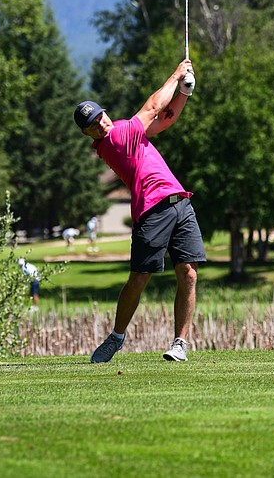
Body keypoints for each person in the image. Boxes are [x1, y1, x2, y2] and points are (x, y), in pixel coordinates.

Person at [75, 58, 204, 363]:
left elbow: (164, 119)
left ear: (105, 113)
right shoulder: (114, 140)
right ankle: (116, 337)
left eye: (99, 116)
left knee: (189, 274)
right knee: (139, 278)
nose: (100, 123)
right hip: (152, 211)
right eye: (92, 124)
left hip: (179, 201)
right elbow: (151, 108)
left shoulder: (122, 128)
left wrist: (183, 93)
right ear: (88, 134)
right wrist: (176, 73)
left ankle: (179, 344)